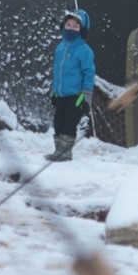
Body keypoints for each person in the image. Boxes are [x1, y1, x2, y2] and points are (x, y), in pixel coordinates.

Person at [46, 9, 95, 162]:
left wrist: (86, 97)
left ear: (82, 30)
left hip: (76, 96)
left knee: (69, 124)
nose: (71, 28)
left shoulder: (85, 51)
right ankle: (58, 151)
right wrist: (55, 92)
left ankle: (65, 153)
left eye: (75, 26)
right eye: (68, 24)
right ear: (63, 26)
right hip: (61, 94)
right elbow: (58, 72)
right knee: (58, 122)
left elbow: (89, 74)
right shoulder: (60, 48)